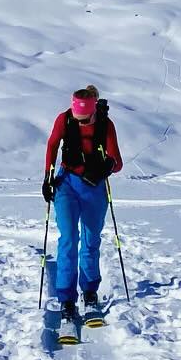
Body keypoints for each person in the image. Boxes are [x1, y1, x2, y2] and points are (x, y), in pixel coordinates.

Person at [42, 83, 123, 323]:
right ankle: (66, 298)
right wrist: (47, 178)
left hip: (94, 189)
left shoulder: (105, 125)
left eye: (84, 119)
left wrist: (102, 169)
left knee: (90, 240)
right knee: (68, 238)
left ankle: (89, 292)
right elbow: (52, 145)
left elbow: (116, 162)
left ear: (93, 111)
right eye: (76, 117)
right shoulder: (64, 120)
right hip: (66, 184)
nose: (79, 122)